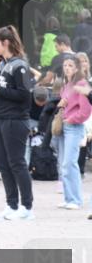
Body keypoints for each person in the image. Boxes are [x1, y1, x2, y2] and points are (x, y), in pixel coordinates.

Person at [0, 26, 36, 220]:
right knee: (3, 164)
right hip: (0, 118)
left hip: (15, 120)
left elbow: (24, 96)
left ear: (5, 43)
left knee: (17, 163)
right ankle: (11, 205)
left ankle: (27, 207)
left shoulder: (20, 65)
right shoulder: (3, 64)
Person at [53, 57, 91, 210]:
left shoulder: (81, 84)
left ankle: (75, 199)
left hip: (74, 127)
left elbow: (86, 110)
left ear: (76, 68)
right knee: (63, 164)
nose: (67, 68)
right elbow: (65, 105)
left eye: (70, 65)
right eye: (65, 65)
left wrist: (72, 119)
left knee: (70, 163)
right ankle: (68, 198)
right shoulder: (66, 85)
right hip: (64, 126)